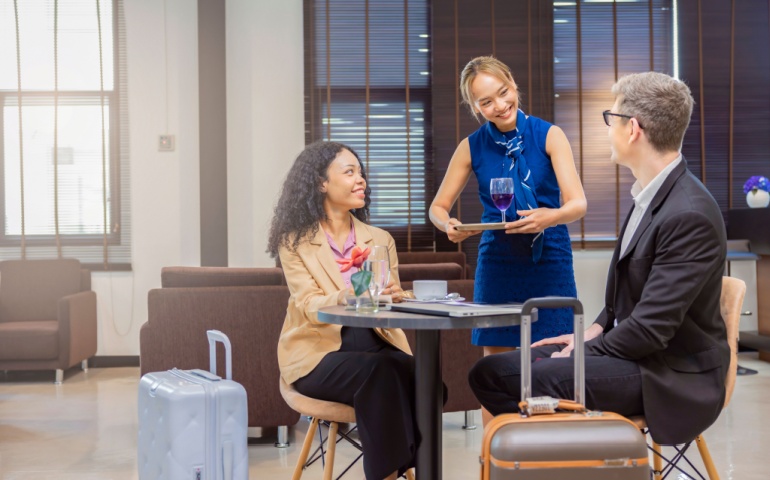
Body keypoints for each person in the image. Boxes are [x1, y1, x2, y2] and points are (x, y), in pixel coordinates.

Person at [469, 71, 729, 446]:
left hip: (670, 373)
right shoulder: (650, 196)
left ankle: (566, 462)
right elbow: (628, 303)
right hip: (638, 354)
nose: (608, 128)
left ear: (633, 129)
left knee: (534, 375)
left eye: (612, 118)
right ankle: (550, 465)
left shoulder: (688, 213)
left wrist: (584, 349)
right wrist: (589, 332)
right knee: (489, 371)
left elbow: (651, 328)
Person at [429, 56, 586, 423]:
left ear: (513, 84)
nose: (499, 106)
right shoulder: (471, 146)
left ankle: (547, 457)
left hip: (549, 260)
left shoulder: (550, 135)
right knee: (496, 368)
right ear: (475, 107)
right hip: (497, 262)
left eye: (503, 93)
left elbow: (578, 203)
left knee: (554, 360)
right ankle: (495, 454)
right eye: (486, 102)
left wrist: (551, 216)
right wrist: (446, 224)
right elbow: (438, 206)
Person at [268, 141, 418, 480]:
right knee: (388, 374)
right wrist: (349, 293)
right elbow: (306, 305)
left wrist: (395, 295)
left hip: (376, 344)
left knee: (422, 379)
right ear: (322, 183)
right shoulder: (295, 242)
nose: (361, 179)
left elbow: (388, 300)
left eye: (361, 172)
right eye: (349, 172)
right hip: (318, 354)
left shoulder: (379, 239)